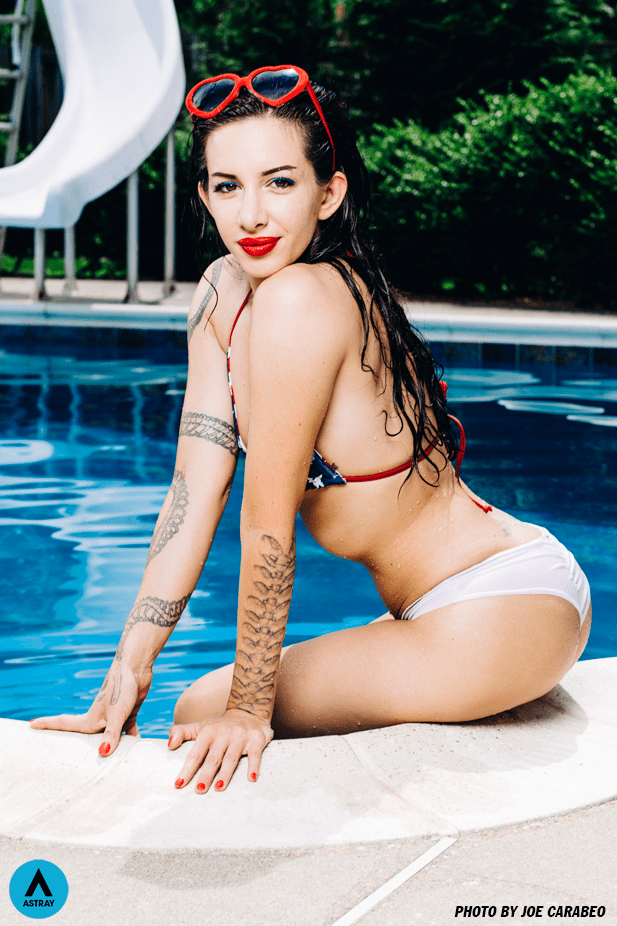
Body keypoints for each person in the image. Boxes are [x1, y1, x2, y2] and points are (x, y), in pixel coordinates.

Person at [31, 65, 591, 794]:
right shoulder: (219, 294)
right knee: (195, 705)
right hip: (485, 594)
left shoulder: (303, 297)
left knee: (206, 710)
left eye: (279, 182)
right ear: (204, 196)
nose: (251, 214)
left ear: (329, 193)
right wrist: (126, 670)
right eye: (227, 186)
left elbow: (267, 520)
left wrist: (248, 710)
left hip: (496, 606)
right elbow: (192, 493)